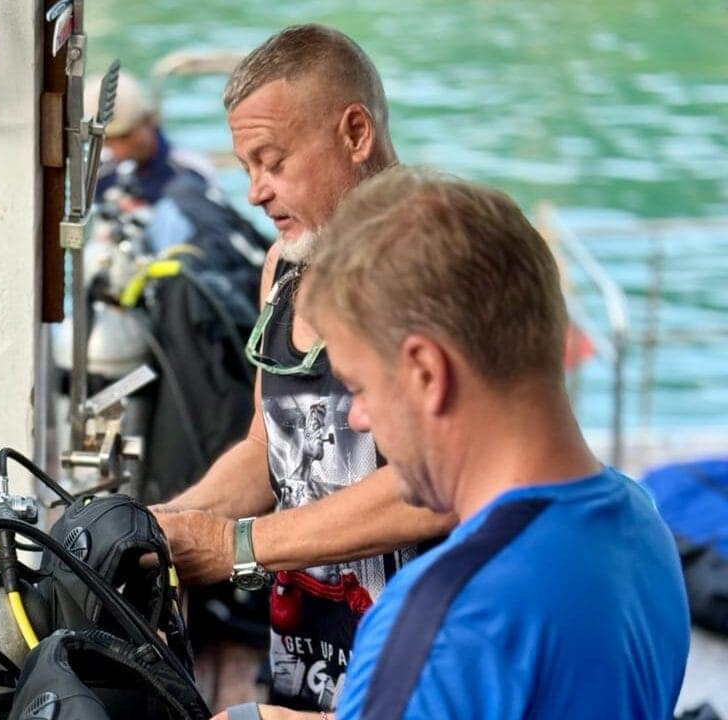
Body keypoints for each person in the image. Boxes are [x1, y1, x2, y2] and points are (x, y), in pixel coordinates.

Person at [292, 165, 690, 719]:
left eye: (358, 388)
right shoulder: (642, 525)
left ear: (426, 373)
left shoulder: (443, 622)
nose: (358, 419)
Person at [151, 24, 454, 714]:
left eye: (273, 162)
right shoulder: (282, 269)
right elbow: (270, 447)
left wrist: (238, 546)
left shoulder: (435, 259)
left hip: (415, 669)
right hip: (309, 651)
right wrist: (167, 524)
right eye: (246, 167)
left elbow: (438, 484)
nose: (256, 193)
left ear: (356, 134)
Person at [84, 70, 216, 204]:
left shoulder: (191, 172)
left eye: (125, 136)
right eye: (108, 139)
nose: (120, 149)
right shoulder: (97, 172)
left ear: (148, 120)